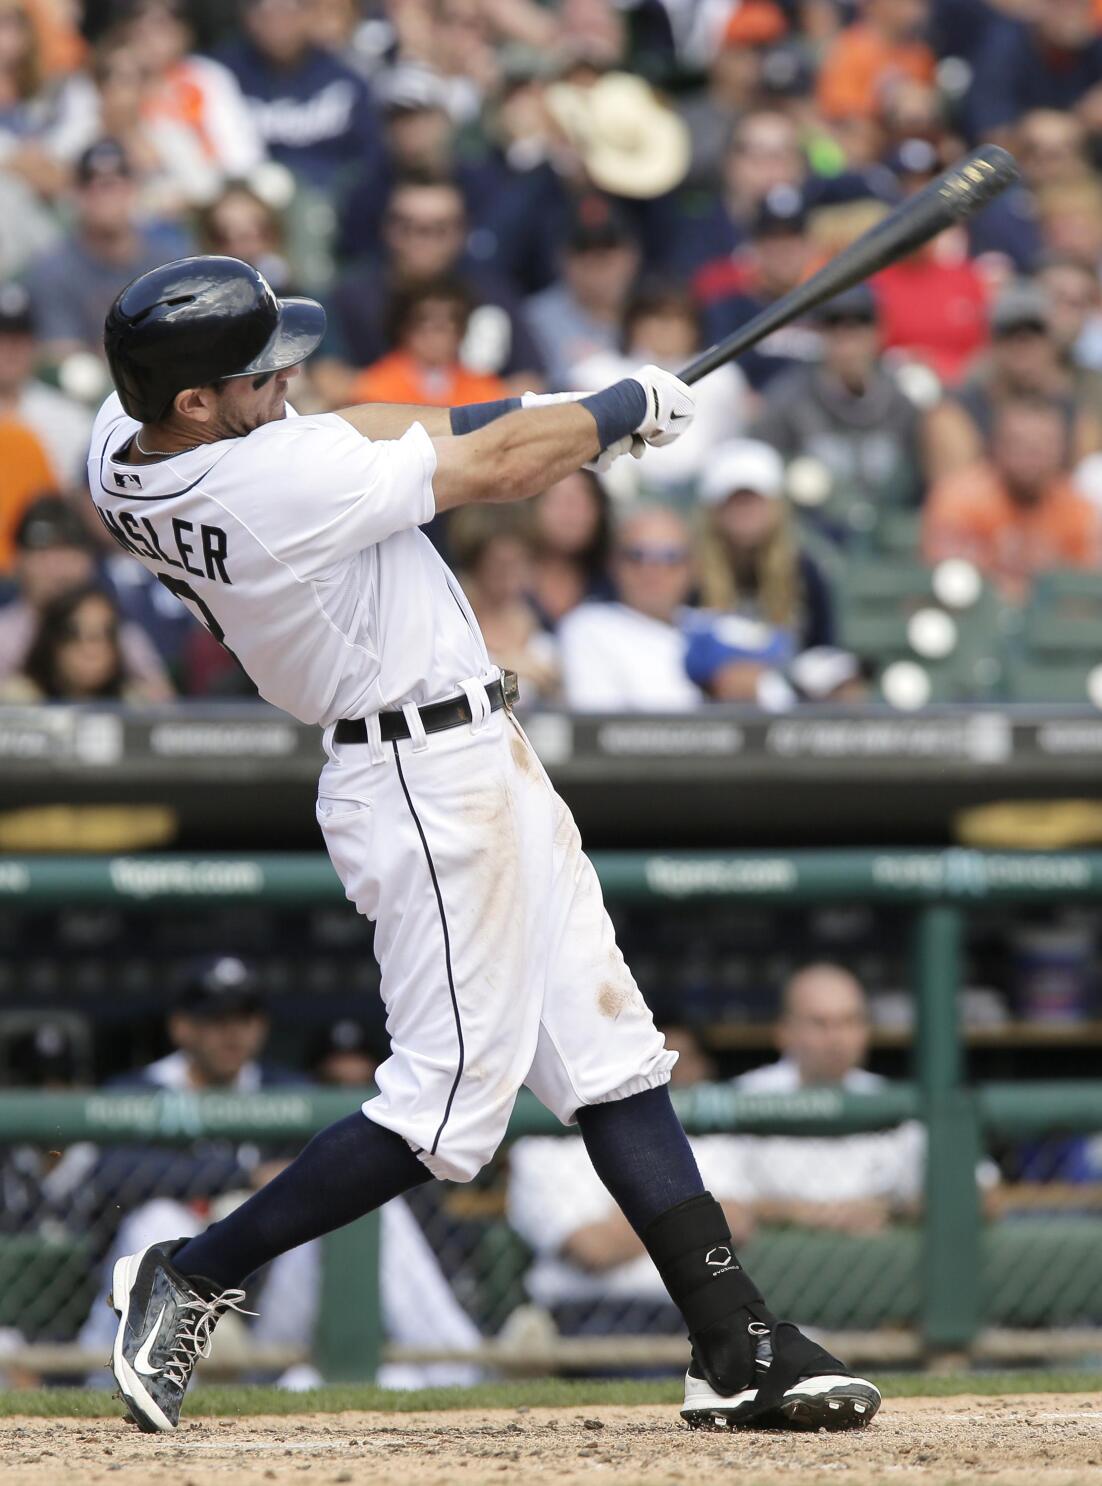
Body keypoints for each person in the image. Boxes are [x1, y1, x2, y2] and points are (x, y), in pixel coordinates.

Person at [91, 252, 878, 1436]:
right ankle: (193, 1271)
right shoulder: (269, 487)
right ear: (198, 402)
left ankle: (735, 1340)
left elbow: (370, 426)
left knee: (610, 1052)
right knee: (445, 1104)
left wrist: (563, 412)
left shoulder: (124, 434)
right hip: (416, 776)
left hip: (475, 748)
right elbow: (488, 472)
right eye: (258, 373)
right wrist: (614, 414)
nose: (285, 379)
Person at [507, 1026, 754, 1337]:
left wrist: (624, 1225)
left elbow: (739, 1220)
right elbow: (594, 1250)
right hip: (589, 1315)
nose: (669, 1076)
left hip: (698, 1311)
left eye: (679, 1062)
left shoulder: (709, 1135)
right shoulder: (543, 1144)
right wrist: (694, 1222)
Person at [324, 173, 545, 399]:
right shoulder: (351, 298)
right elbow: (329, 379)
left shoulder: (492, 293)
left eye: (438, 229)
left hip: (475, 425)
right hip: (380, 426)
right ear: (387, 228)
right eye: (407, 226)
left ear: (462, 232)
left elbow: (528, 381)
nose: (422, 240)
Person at [753, 283, 927, 534]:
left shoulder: (903, 398)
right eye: (833, 324)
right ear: (819, 333)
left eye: (860, 323)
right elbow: (757, 468)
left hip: (892, 535)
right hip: (816, 537)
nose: (847, 336)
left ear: (879, 331)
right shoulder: (788, 398)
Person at [567, 284, 753, 508]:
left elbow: (731, 441)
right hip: (623, 498)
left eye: (676, 318)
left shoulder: (721, 376)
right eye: (655, 318)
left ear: (694, 328)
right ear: (633, 325)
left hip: (703, 498)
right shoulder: (597, 372)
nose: (666, 329)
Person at [693, 440, 839, 701]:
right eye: (735, 500)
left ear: (775, 506)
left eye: (754, 499)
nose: (745, 510)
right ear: (714, 509)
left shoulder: (805, 572)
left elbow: (823, 648)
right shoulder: (691, 574)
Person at [24, 137, 188, 365]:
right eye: (91, 183)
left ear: (133, 188)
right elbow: (62, 354)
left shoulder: (167, 260)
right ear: (76, 194)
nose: (103, 193)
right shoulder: (52, 268)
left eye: (114, 182)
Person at [924, 395, 1102, 603]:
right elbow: (945, 581)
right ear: (995, 446)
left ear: (1061, 450)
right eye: (1018, 444)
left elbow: (1088, 592)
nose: (1030, 457)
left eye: (1042, 447)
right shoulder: (959, 499)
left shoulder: (1078, 510)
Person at [0, 495, 173, 697]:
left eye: (67, 550)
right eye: (43, 552)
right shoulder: (6, 636)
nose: (56, 568)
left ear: (90, 560)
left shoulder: (115, 628)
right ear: (18, 560)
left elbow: (164, 706)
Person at [217, 0, 382, 192]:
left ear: (309, 16)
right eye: (268, 14)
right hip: (251, 198)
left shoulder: (343, 80)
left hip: (331, 197)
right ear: (250, 19)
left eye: (288, 12)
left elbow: (367, 155)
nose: (279, 24)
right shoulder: (220, 77)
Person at [558, 505, 702, 713]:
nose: (654, 569)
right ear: (613, 563)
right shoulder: (588, 627)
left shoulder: (713, 626)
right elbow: (601, 726)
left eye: (670, 557)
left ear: (692, 568)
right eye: (637, 555)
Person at [524, 193, 641, 391]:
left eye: (608, 248)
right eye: (583, 249)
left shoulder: (658, 311)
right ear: (562, 259)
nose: (596, 261)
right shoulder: (536, 319)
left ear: (632, 255)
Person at [344, 277, 510, 411]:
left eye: (444, 327)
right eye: (424, 326)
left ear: (461, 332)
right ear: (403, 329)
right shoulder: (374, 390)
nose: (434, 337)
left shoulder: (484, 389)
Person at [450, 505, 559, 702]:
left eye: (520, 564)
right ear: (476, 564)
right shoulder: (451, 619)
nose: (510, 578)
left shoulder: (539, 623)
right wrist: (503, 666)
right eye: (500, 566)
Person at [0, 580, 165, 703]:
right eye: (73, 633)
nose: (90, 648)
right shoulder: (15, 702)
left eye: (105, 633)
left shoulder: (137, 706)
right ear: (51, 641)